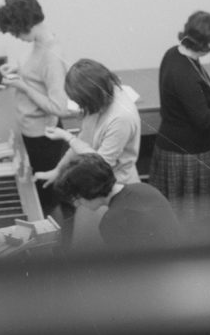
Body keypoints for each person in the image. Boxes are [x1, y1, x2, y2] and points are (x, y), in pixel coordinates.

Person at [35, 59, 142, 246]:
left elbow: (100, 166)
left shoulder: (121, 117)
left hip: (112, 188)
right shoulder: (98, 101)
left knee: (98, 253)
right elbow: (84, 140)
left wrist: (68, 137)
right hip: (94, 188)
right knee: (83, 248)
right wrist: (58, 170)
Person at [149, 11, 210, 236]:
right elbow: (205, 121)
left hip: (172, 145)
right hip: (188, 154)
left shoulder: (175, 54)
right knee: (191, 221)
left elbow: (199, 82)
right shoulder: (184, 74)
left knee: (177, 214)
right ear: (202, 43)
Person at [0, 0, 70, 217]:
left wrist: (24, 87)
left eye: (15, 32)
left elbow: (60, 107)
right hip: (32, 132)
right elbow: (37, 76)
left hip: (43, 138)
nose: (16, 37)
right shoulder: (39, 43)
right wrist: (17, 71)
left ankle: (57, 248)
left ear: (24, 25)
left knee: (46, 200)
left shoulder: (51, 55)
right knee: (42, 195)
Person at [54, 154, 181, 248]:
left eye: (77, 198)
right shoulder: (143, 188)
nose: (77, 204)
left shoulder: (111, 220)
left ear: (90, 190)